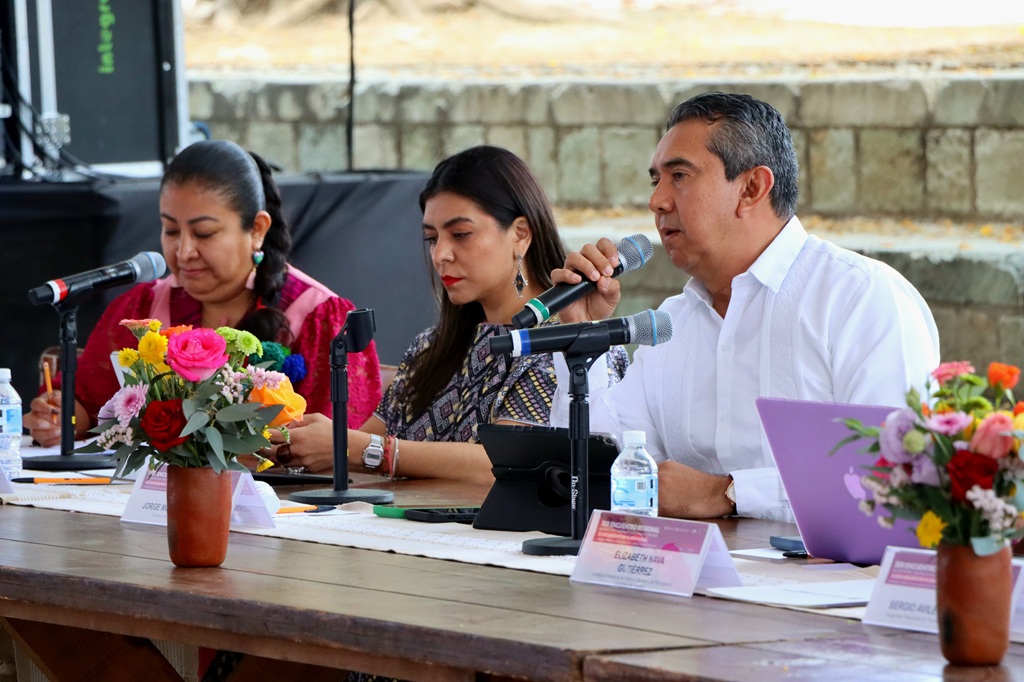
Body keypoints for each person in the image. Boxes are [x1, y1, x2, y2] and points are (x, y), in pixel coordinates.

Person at [548, 92, 940, 522]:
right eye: (655, 180)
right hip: (680, 580)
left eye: (679, 175)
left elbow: (900, 477)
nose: (657, 201)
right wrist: (581, 337)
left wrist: (731, 493)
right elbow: (599, 470)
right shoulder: (672, 321)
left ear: (752, 188)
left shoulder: (861, 297)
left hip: (833, 584)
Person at [274, 145, 627, 482]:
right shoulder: (431, 348)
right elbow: (360, 447)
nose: (440, 254)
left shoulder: (564, 340)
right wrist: (315, 443)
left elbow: (507, 463)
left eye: (461, 234)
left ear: (520, 234)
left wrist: (367, 450)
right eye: (432, 238)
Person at [27, 139, 381, 447]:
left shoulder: (319, 317)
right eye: (170, 230)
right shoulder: (143, 308)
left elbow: (341, 446)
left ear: (257, 229)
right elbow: (87, 404)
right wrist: (61, 419)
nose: (183, 253)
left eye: (205, 234)